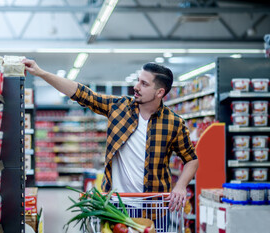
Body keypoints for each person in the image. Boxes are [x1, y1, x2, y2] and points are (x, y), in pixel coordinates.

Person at [22, 59, 199, 213]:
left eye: (144, 84)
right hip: (115, 206)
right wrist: (40, 72)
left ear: (160, 92)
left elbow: (191, 159)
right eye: (138, 81)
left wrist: (181, 186)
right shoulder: (118, 107)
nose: (136, 87)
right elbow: (81, 93)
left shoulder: (174, 123)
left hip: (153, 208)